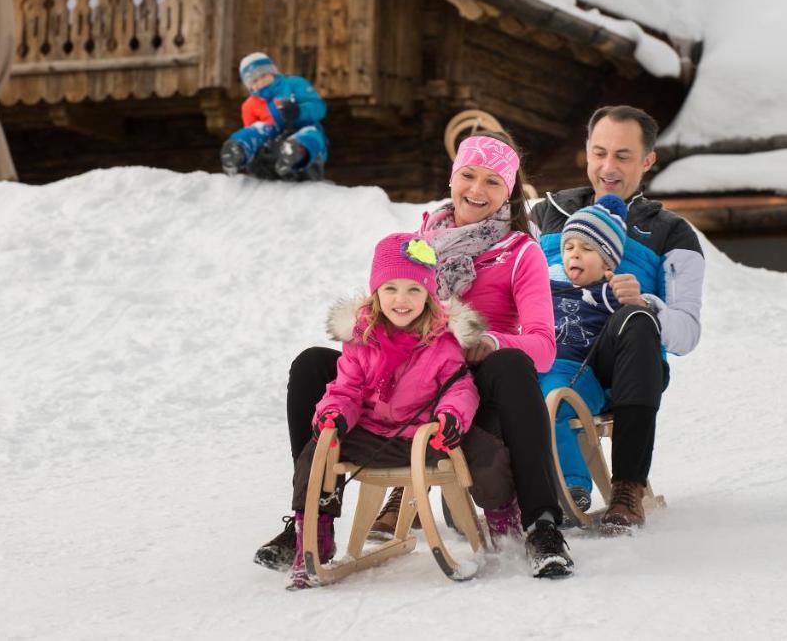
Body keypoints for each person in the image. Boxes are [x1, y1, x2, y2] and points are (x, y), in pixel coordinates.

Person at [256, 130, 575, 579]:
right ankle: (312, 516)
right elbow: (386, 309)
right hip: (404, 379)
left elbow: (544, 347)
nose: (476, 190)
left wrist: (488, 344)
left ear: (509, 191)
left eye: (492, 182)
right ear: (452, 177)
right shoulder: (416, 244)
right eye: (468, 175)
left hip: (470, 383)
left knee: (516, 364)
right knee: (312, 364)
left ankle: (542, 525)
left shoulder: (520, 252)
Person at [278, 232, 514, 589]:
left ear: (429, 296)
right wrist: (334, 414)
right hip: (373, 433)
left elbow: (459, 387)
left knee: (489, 456)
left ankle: (503, 525)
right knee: (317, 454)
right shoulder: (361, 337)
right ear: (376, 293)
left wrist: (451, 416)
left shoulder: (442, 339)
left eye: (413, 290)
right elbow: (347, 388)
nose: (401, 300)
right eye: (390, 289)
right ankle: (314, 535)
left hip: (429, 435)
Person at [530, 105, 704, 533]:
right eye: (599, 152)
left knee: (638, 320)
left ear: (648, 161)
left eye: (623, 156)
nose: (608, 167)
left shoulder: (671, 232)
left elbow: (687, 333)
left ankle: (627, 485)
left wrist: (647, 303)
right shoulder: (545, 214)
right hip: (550, 353)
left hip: (622, 365)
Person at [536, 194, 628, 520]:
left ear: (607, 263)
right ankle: (516, 495)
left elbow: (635, 329)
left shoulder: (611, 294)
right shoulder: (546, 285)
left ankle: (574, 485)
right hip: (539, 366)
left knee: (556, 404)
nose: (575, 254)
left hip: (579, 373)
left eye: (587, 249)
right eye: (569, 247)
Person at [220, 52, 328, 180]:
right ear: (249, 86)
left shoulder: (294, 85)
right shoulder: (249, 105)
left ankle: (295, 152)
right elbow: (251, 129)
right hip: (272, 146)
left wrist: (299, 111)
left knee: (311, 132)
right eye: (254, 80)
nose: (260, 82)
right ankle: (238, 150)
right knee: (258, 129)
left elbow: (319, 108)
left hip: (300, 129)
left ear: (273, 72)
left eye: (263, 75)